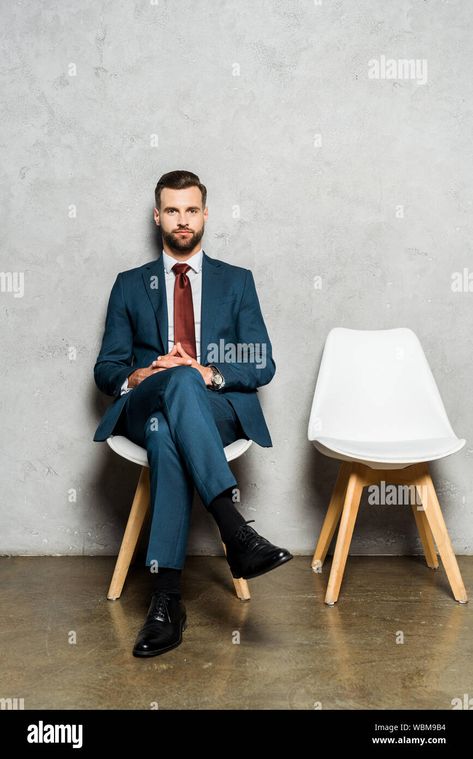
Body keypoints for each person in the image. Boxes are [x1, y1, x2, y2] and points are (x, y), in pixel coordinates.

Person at [93, 170, 292, 657]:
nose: (183, 220)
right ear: (157, 216)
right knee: (169, 388)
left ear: (205, 214)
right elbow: (106, 368)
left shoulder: (236, 282)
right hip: (145, 399)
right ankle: (234, 528)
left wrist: (208, 373)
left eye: (192, 209)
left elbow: (260, 361)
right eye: (173, 210)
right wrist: (140, 376)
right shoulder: (129, 285)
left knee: (166, 431)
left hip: (212, 404)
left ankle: (165, 603)